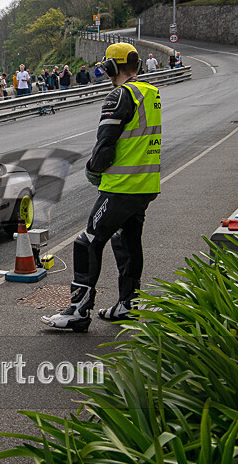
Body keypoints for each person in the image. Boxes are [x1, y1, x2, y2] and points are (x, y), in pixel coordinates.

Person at [41, 43, 161, 332]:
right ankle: (127, 305)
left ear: (111, 67)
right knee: (127, 241)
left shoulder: (118, 95)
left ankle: (79, 310)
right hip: (145, 184)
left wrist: (93, 170)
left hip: (120, 186)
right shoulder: (151, 93)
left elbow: (105, 146)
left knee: (87, 242)